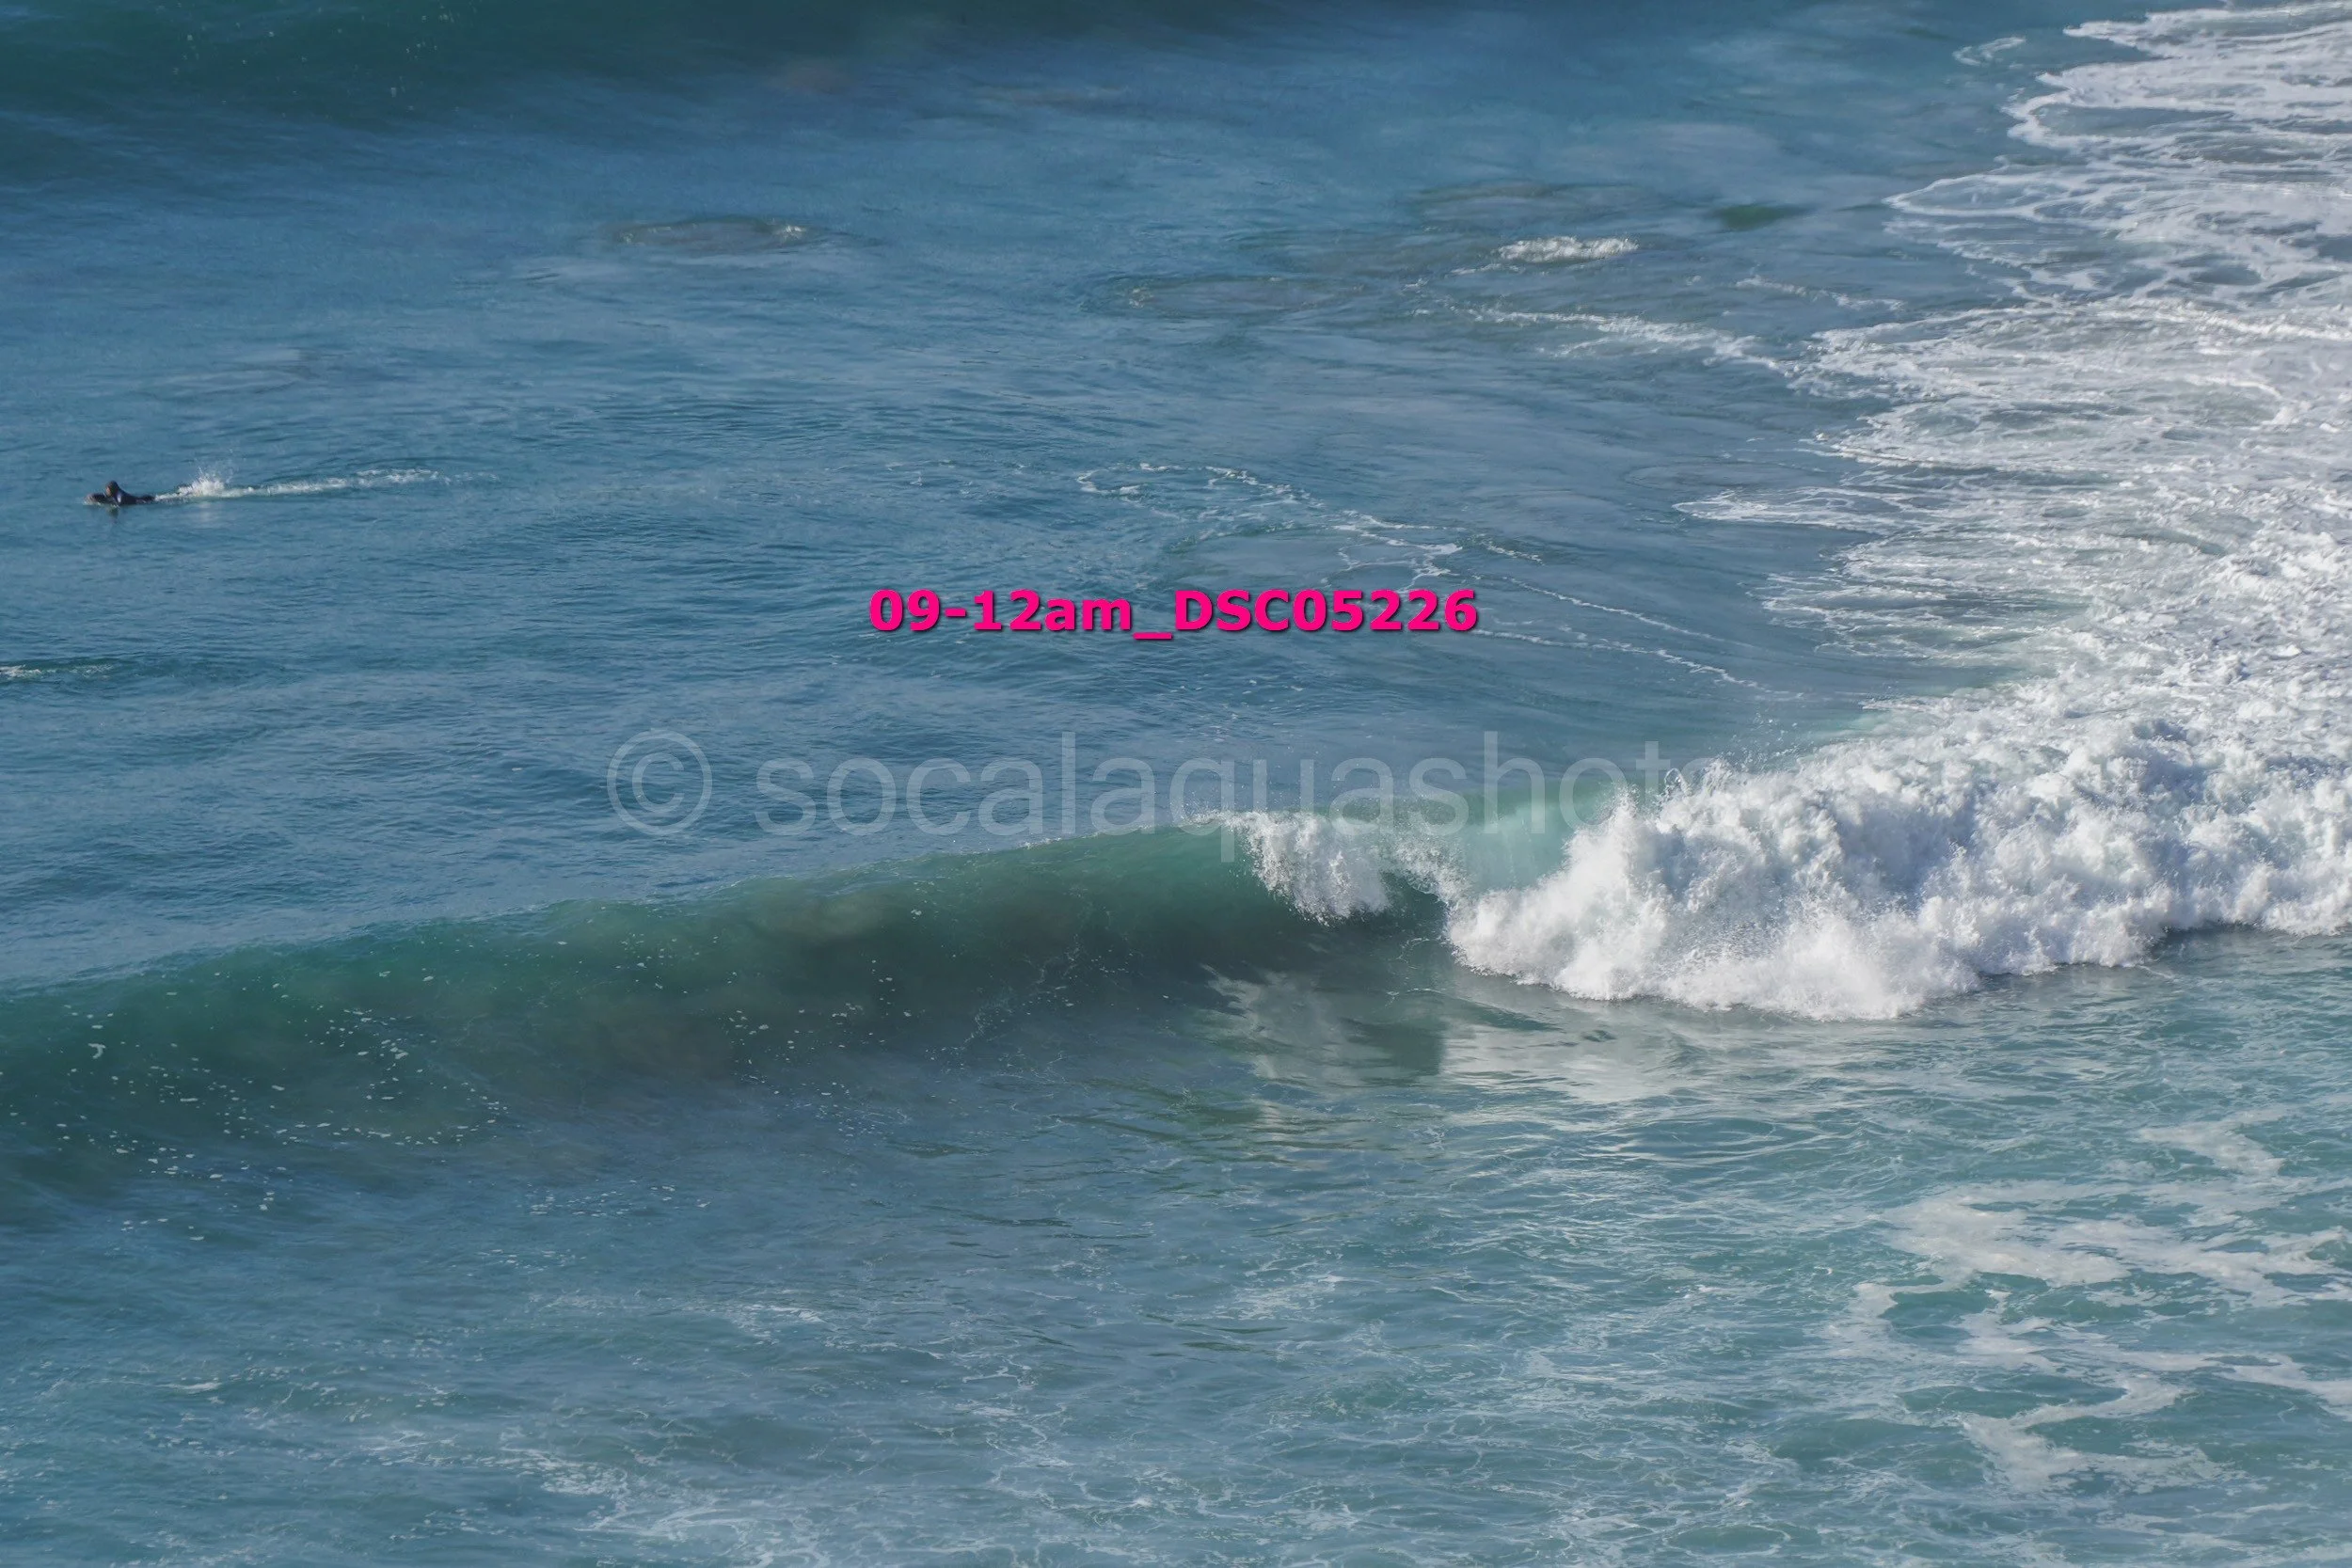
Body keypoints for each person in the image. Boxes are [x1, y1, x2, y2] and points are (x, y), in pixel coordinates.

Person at [87, 481, 156, 506]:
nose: (106, 491)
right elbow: (105, 496)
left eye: (107, 490)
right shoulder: (114, 494)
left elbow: (120, 504)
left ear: (112, 490)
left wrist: (104, 502)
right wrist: (93, 496)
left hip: (143, 501)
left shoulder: (121, 497)